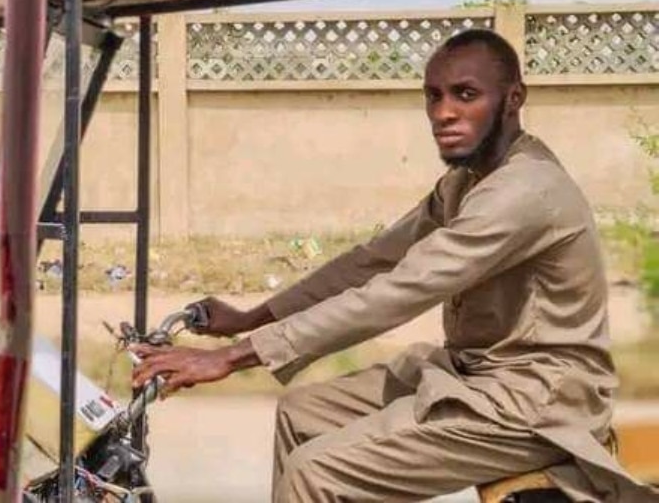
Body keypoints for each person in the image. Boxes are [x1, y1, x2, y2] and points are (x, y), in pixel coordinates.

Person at [132, 29, 659, 502]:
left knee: (316, 473)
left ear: (513, 99)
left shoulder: (525, 192)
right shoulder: (466, 181)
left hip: (532, 399)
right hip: (470, 374)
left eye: (465, 95)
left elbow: (399, 290)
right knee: (299, 415)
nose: (443, 112)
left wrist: (231, 359)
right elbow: (374, 261)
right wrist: (251, 318)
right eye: (434, 96)